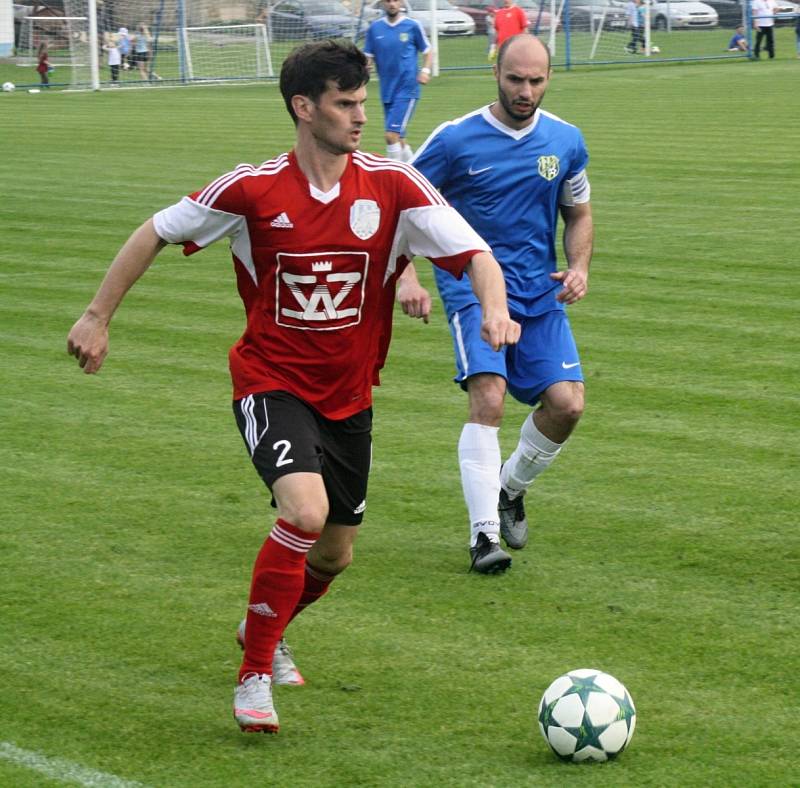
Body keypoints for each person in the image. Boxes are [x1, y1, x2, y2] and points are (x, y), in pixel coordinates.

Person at [66, 40, 519, 733]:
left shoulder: (394, 187)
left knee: (335, 553)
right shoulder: (251, 189)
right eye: (344, 103)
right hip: (270, 382)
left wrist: (494, 306)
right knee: (303, 513)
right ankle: (252, 679)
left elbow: (475, 254)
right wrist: (97, 317)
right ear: (304, 109)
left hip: (351, 396)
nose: (359, 116)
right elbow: (155, 231)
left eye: (363, 102)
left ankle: (265, 634)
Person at [399, 33, 593, 574]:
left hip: (538, 291)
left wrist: (578, 267)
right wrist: (406, 278)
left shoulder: (566, 140)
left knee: (568, 405)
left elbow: (577, 210)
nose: (525, 90)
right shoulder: (454, 140)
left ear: (548, 79)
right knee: (490, 398)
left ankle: (509, 489)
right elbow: (400, 207)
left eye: (535, 80)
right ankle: (483, 537)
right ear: (496, 75)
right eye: (515, 79)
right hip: (471, 289)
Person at [363, 0, 433, 162]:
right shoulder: (375, 28)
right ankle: (416, 171)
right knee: (400, 138)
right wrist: (363, 71)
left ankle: (391, 180)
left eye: (395, 0)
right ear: (382, 3)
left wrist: (425, 70)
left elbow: (428, 51)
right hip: (387, 90)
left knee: (391, 136)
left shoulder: (412, 25)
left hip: (407, 89)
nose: (392, 4)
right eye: (388, 1)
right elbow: (368, 57)